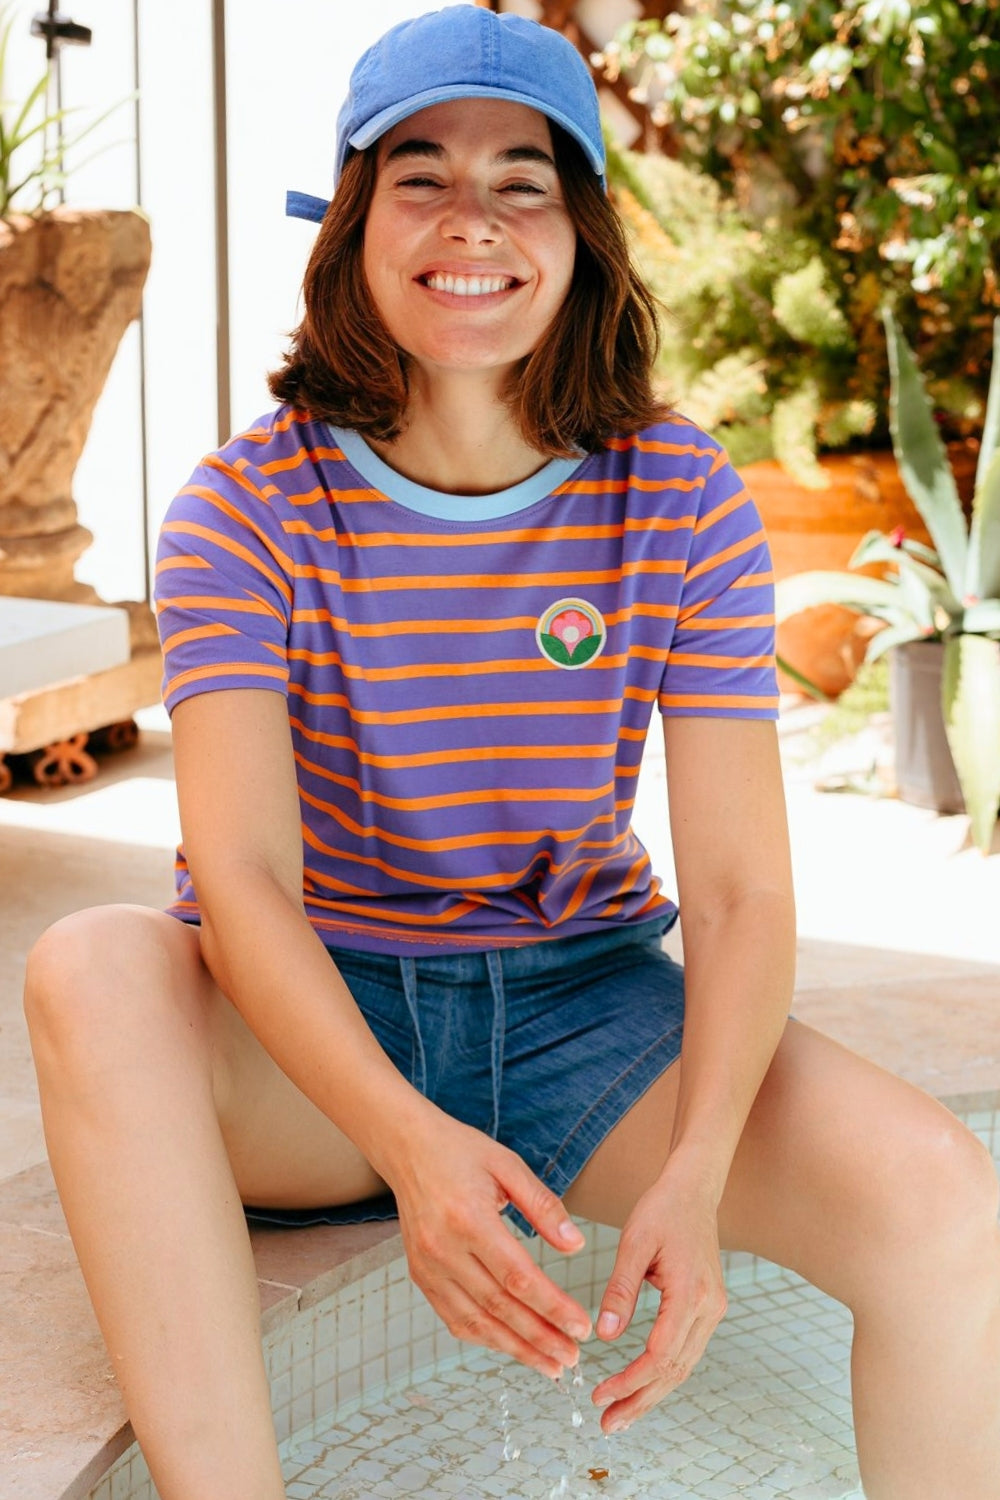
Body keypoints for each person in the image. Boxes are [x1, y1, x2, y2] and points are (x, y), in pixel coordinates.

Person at [23, 8, 1000, 1500]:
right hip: (316, 1042)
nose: (469, 221)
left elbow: (742, 892)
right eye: (420, 177)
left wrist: (698, 1171)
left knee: (941, 1192)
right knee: (91, 967)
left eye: (520, 182)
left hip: (582, 1019)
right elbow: (242, 879)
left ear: (581, 237)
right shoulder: (244, 509)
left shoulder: (678, 494)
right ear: (354, 225)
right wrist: (409, 1145)